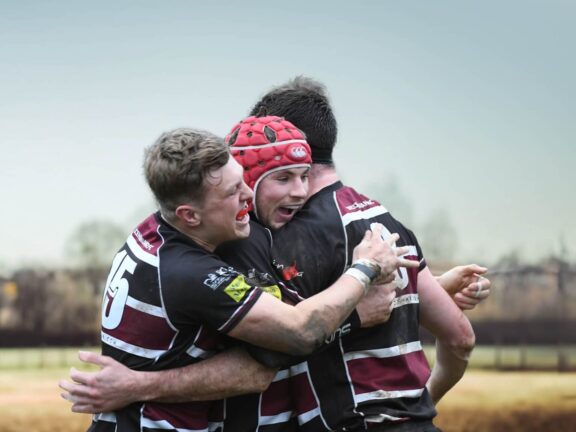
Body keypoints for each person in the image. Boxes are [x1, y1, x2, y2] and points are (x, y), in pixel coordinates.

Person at [61, 117, 490, 431]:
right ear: (190, 215)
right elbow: (277, 350)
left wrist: (421, 286)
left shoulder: (158, 229)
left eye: (243, 180)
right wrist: (363, 275)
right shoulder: (198, 270)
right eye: (234, 191)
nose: (247, 195)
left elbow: (294, 304)